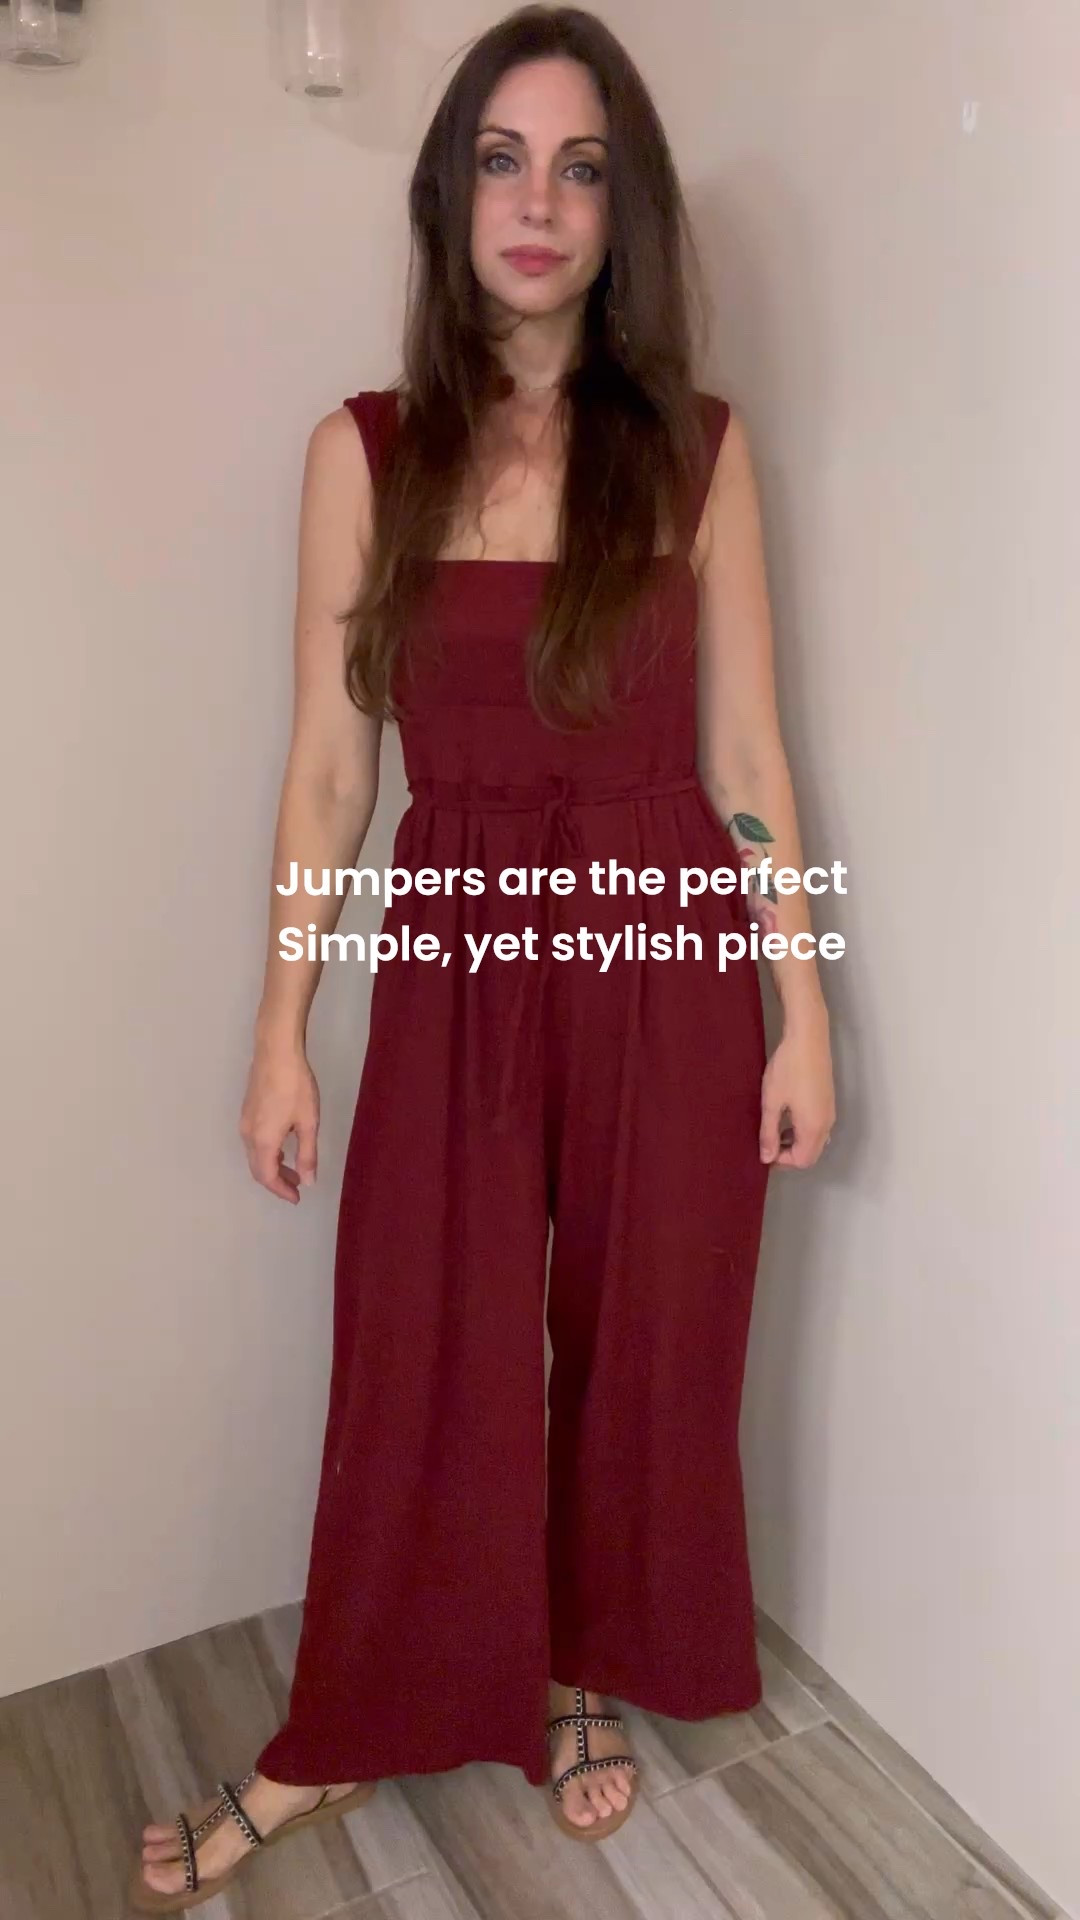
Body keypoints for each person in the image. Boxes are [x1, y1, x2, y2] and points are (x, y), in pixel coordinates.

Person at [130, 4, 835, 1908]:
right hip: (458, 935)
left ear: (625, 211)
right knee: (419, 1330)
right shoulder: (364, 451)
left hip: (664, 934)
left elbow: (748, 759)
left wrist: (802, 1009)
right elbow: (328, 765)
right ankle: (345, 1724)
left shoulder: (696, 452)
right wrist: (280, 1028)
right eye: (504, 161)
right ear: (450, 196)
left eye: (581, 166)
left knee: (648, 1329)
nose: (540, 202)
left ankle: (583, 1669)